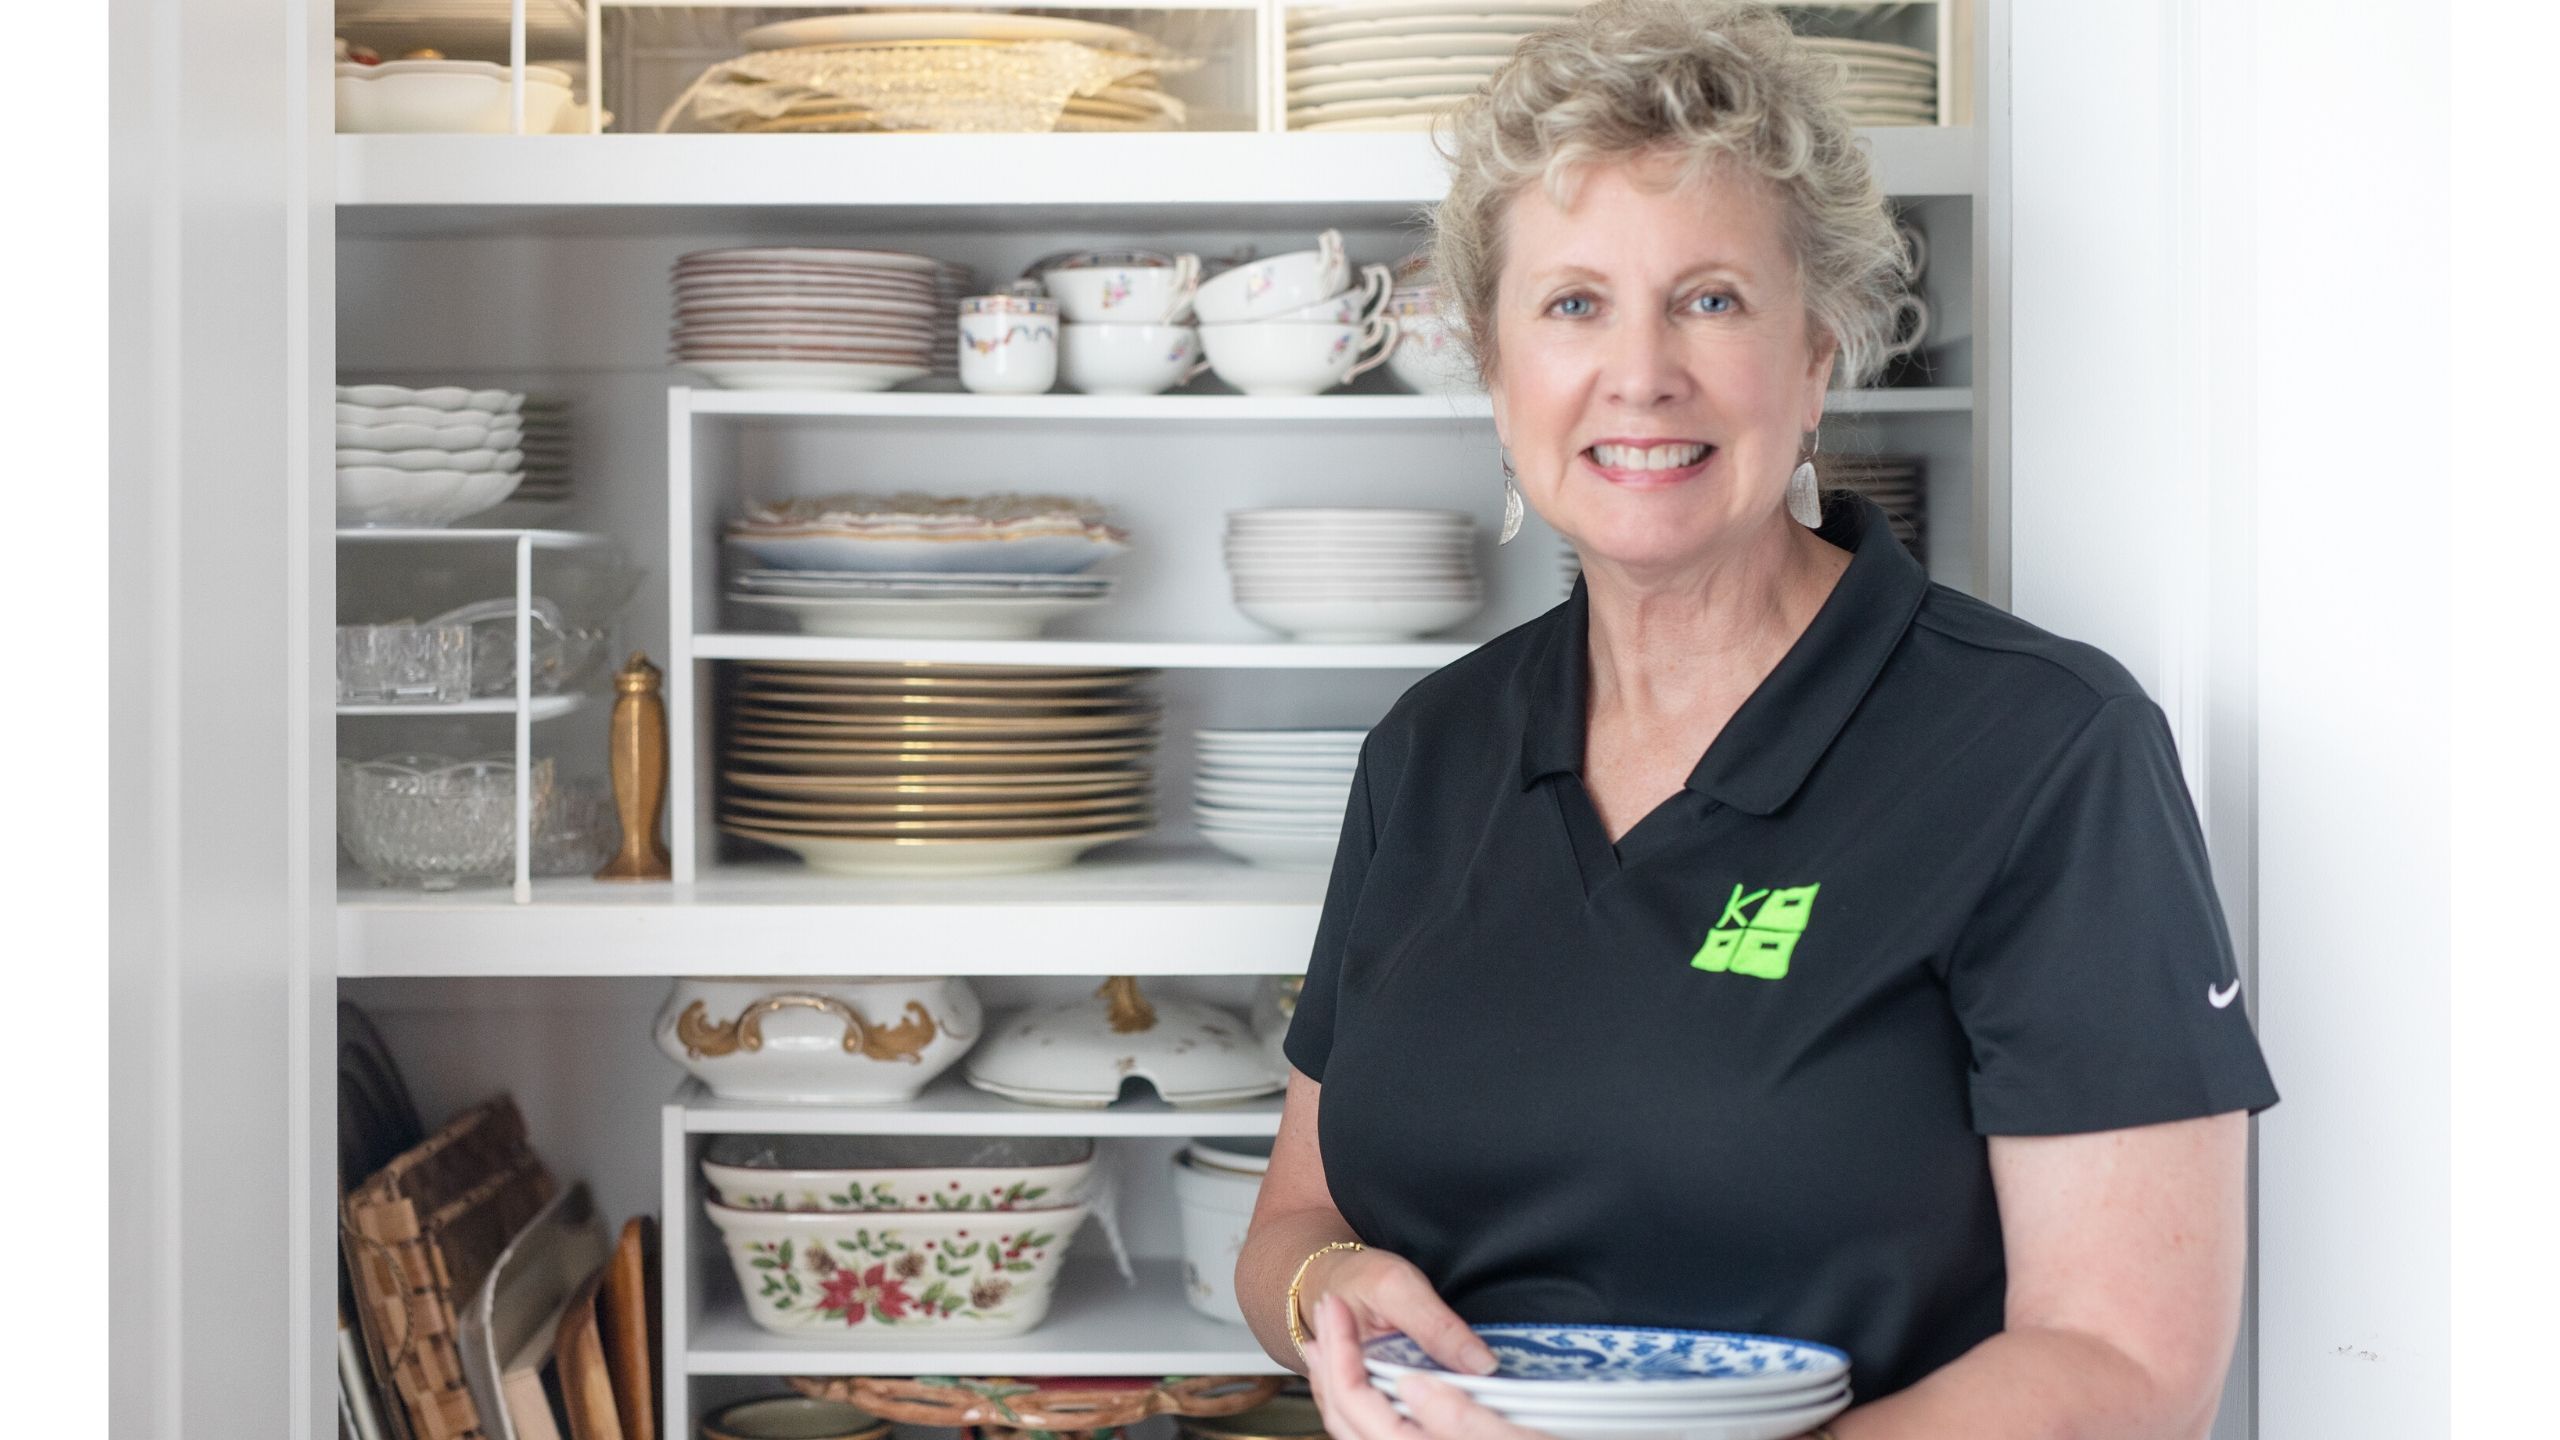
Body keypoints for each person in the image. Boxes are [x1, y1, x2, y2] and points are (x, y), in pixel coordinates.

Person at [1233, 4, 2280, 1438]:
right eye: (1573, 304)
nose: (1641, 372)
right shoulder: (1431, 750)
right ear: (1495, 370)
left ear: (1820, 355)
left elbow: (2125, 1370)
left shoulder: (2045, 750)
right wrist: (1328, 1293)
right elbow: (1296, 1213)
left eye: (1712, 299)